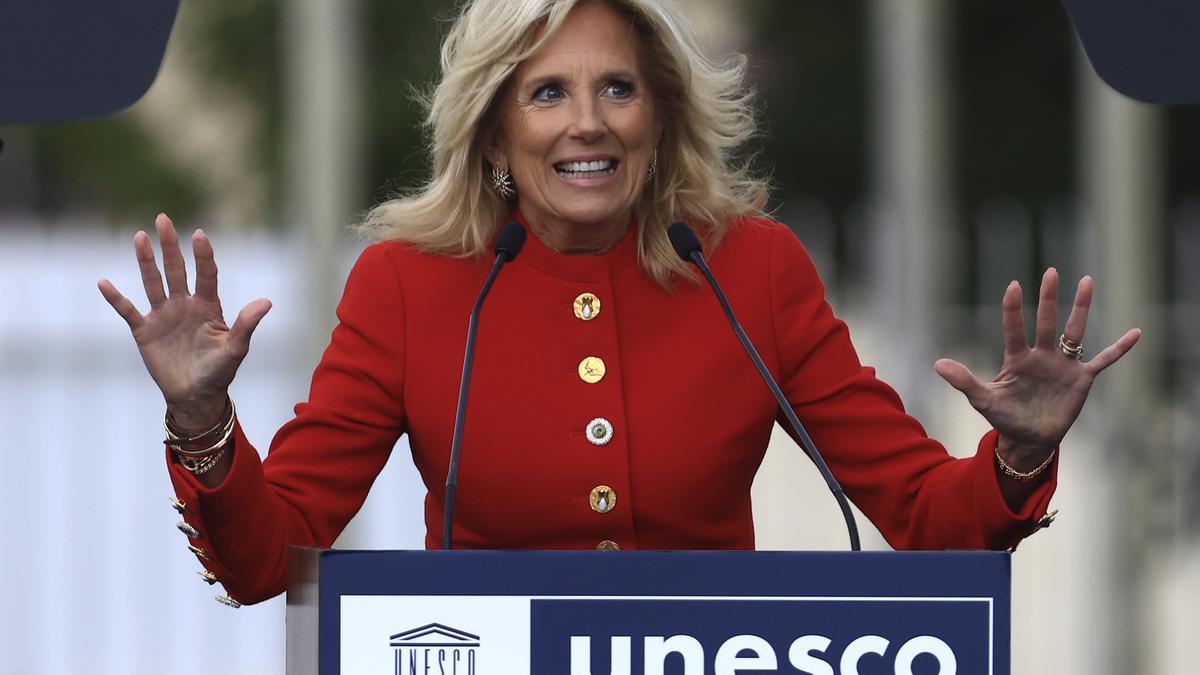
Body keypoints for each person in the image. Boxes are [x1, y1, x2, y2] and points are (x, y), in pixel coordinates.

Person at [98, 0, 1140, 607]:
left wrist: (1016, 458)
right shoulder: (408, 286)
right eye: (547, 93)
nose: (587, 125)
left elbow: (924, 515)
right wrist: (201, 423)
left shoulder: (754, 269)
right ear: (494, 136)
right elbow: (267, 558)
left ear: (662, 119)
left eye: (618, 90)